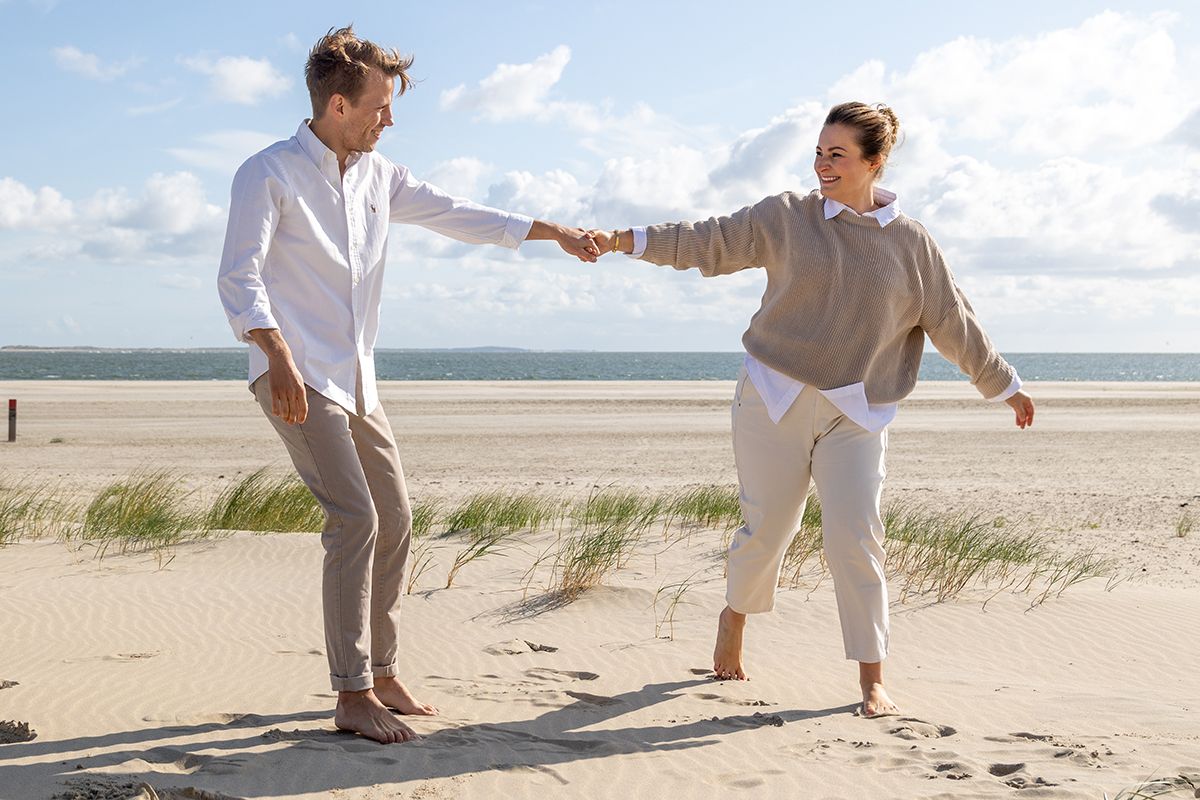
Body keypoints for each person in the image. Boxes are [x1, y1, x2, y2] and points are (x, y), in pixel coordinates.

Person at [588, 102, 1035, 718]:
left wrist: (1003, 384)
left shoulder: (911, 243)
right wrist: (622, 240)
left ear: (874, 163)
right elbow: (708, 240)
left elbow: (952, 321)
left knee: (856, 536)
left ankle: (872, 677)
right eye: (820, 152)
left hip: (859, 411)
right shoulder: (786, 217)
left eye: (838, 155)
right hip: (773, 395)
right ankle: (735, 614)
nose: (822, 165)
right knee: (767, 528)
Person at [216, 26, 599, 744]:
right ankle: (351, 690)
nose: (389, 120)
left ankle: (384, 670)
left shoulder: (378, 176)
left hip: (357, 377)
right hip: (294, 375)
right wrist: (275, 351)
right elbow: (240, 275)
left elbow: (461, 215)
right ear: (337, 104)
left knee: (395, 519)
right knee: (354, 519)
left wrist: (556, 232)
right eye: (379, 107)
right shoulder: (265, 172)